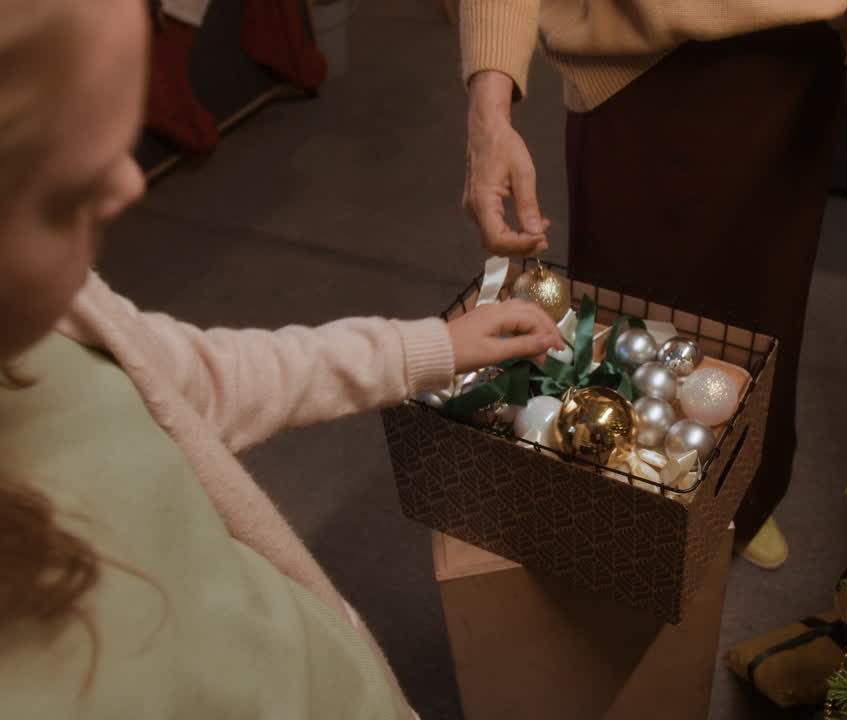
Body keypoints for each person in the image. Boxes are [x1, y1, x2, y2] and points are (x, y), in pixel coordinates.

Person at [0, 0, 563, 715]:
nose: (128, 186)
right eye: (65, 196)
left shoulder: (68, 318)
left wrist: (429, 347)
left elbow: (197, 382)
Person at [459, 0, 847, 569]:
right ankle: (623, 521)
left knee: (766, 306)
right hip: (634, 65)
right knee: (628, 328)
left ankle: (745, 492)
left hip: (795, 61)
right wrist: (489, 112)